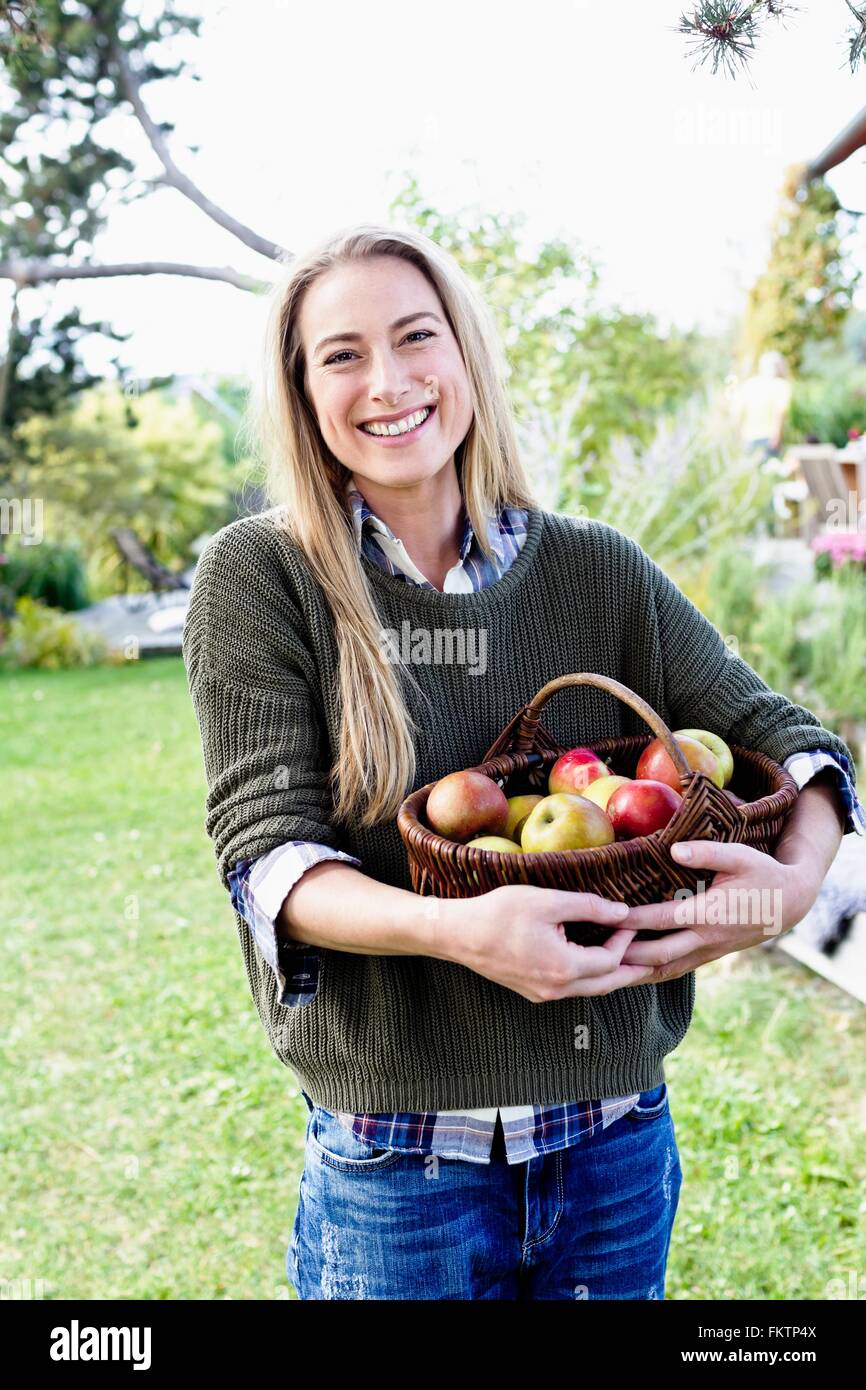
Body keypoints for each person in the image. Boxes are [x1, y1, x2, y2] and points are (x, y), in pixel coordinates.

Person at [182, 225, 864, 1301]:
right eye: (342, 354)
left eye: (415, 337)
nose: (389, 381)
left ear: (464, 355)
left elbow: (793, 741)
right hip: (398, 1172)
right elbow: (267, 855)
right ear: (302, 388)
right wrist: (458, 931)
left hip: (611, 1151)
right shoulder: (261, 577)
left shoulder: (596, 570)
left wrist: (783, 888)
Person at [734, 349, 793, 462]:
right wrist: (777, 437)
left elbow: (738, 414)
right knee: (770, 475)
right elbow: (780, 413)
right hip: (770, 438)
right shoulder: (781, 385)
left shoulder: (748, 385)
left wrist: (740, 437)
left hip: (748, 439)